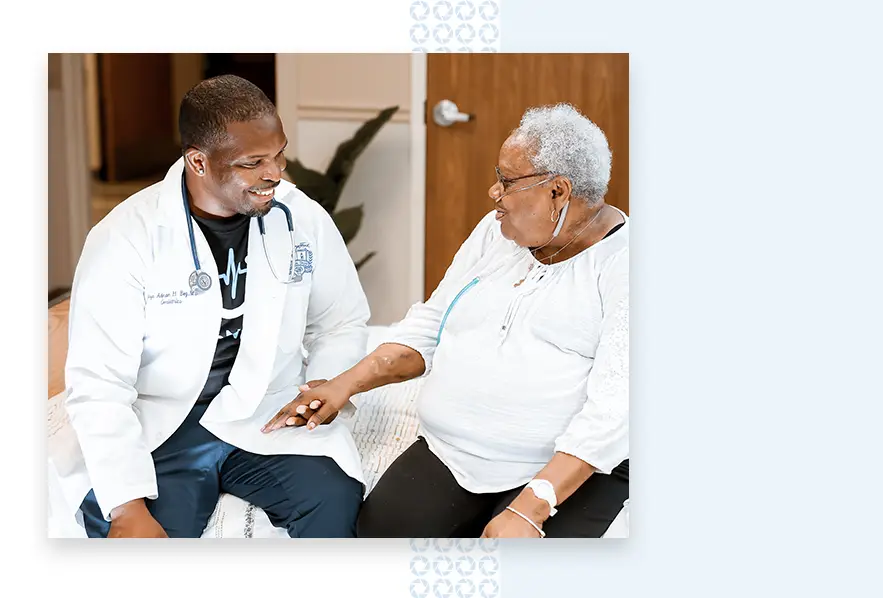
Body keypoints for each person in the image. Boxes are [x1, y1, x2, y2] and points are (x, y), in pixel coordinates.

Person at [264, 103, 629, 538]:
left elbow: (614, 409)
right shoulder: (495, 234)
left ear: (558, 192)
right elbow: (431, 324)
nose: (494, 193)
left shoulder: (626, 266)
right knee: (379, 545)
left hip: (567, 472)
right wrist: (346, 382)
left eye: (508, 181)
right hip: (451, 453)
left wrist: (533, 507)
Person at [52, 75, 370, 538]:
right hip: (165, 424)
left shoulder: (299, 217)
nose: (275, 173)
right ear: (198, 161)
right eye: (253, 162)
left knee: (335, 500)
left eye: (279, 154)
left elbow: (340, 320)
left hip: (264, 415)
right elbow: (99, 383)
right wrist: (126, 509)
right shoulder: (124, 240)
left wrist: (322, 384)